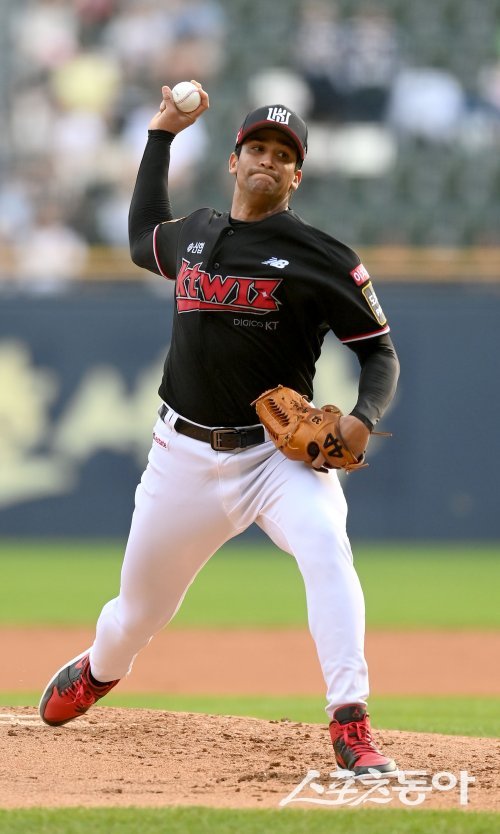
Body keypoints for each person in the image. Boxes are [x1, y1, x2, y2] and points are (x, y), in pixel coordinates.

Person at [39, 81, 400, 777]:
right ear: (234, 161)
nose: (269, 160)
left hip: (277, 459)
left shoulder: (322, 256)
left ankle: (350, 721)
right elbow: (141, 237)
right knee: (136, 616)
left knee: (327, 549)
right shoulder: (196, 234)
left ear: (297, 176)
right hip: (181, 455)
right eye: (257, 148)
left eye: (284, 155)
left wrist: (362, 418)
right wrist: (160, 135)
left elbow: (378, 352)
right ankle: (98, 669)